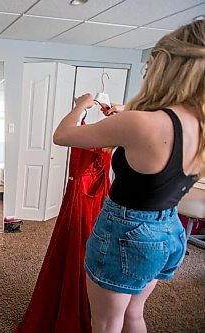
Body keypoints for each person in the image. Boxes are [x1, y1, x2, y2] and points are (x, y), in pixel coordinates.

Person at [53, 20, 204, 333]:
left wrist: (81, 105)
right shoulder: (197, 123)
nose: (148, 71)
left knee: (106, 323)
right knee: (134, 315)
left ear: (169, 66)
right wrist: (128, 113)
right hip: (169, 231)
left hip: (127, 232)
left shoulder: (142, 124)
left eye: (151, 64)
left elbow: (63, 135)